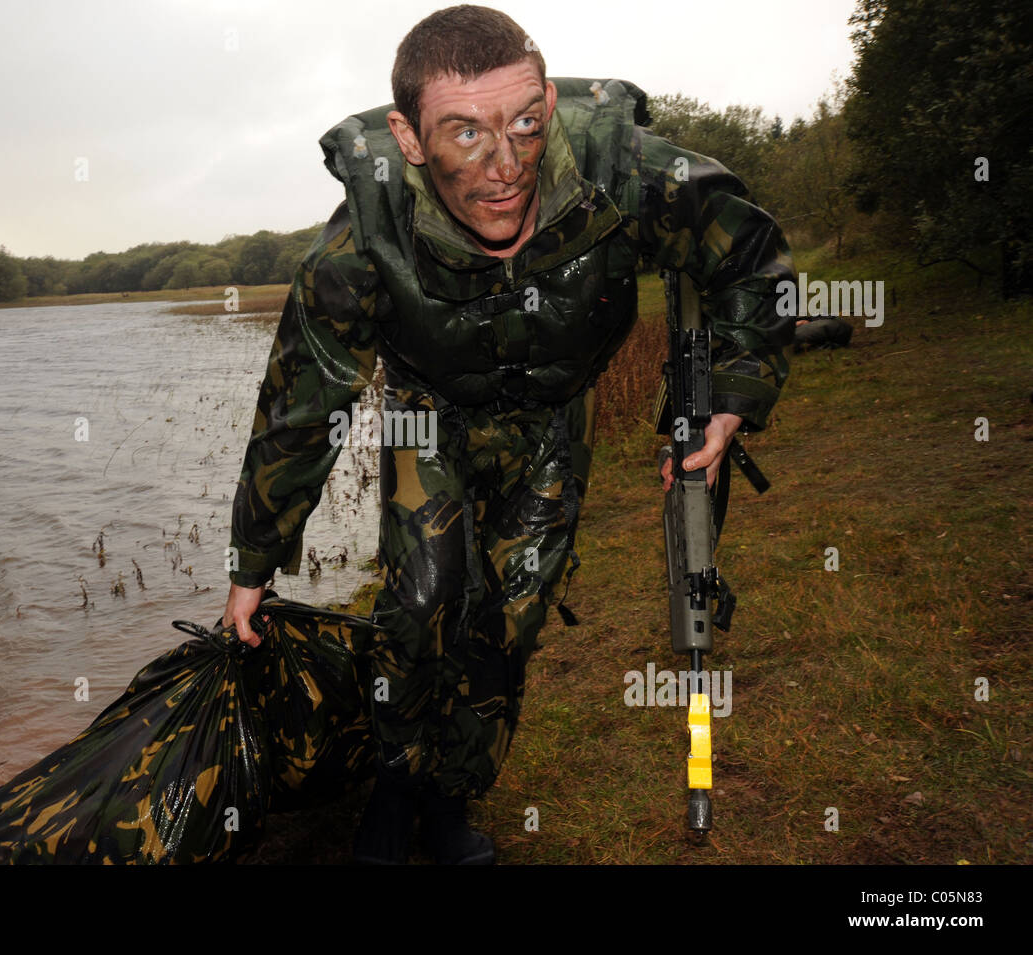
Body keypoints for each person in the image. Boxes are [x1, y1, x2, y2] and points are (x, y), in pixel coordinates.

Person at [222, 4, 795, 864]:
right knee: (421, 601)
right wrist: (254, 562)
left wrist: (734, 391)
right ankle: (393, 781)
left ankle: (451, 798)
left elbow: (749, 256)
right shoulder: (361, 242)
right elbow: (305, 403)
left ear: (547, 108)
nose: (505, 169)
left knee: (509, 621)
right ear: (408, 138)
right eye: (463, 134)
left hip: (556, 415)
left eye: (525, 125)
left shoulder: (623, 171)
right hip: (429, 410)